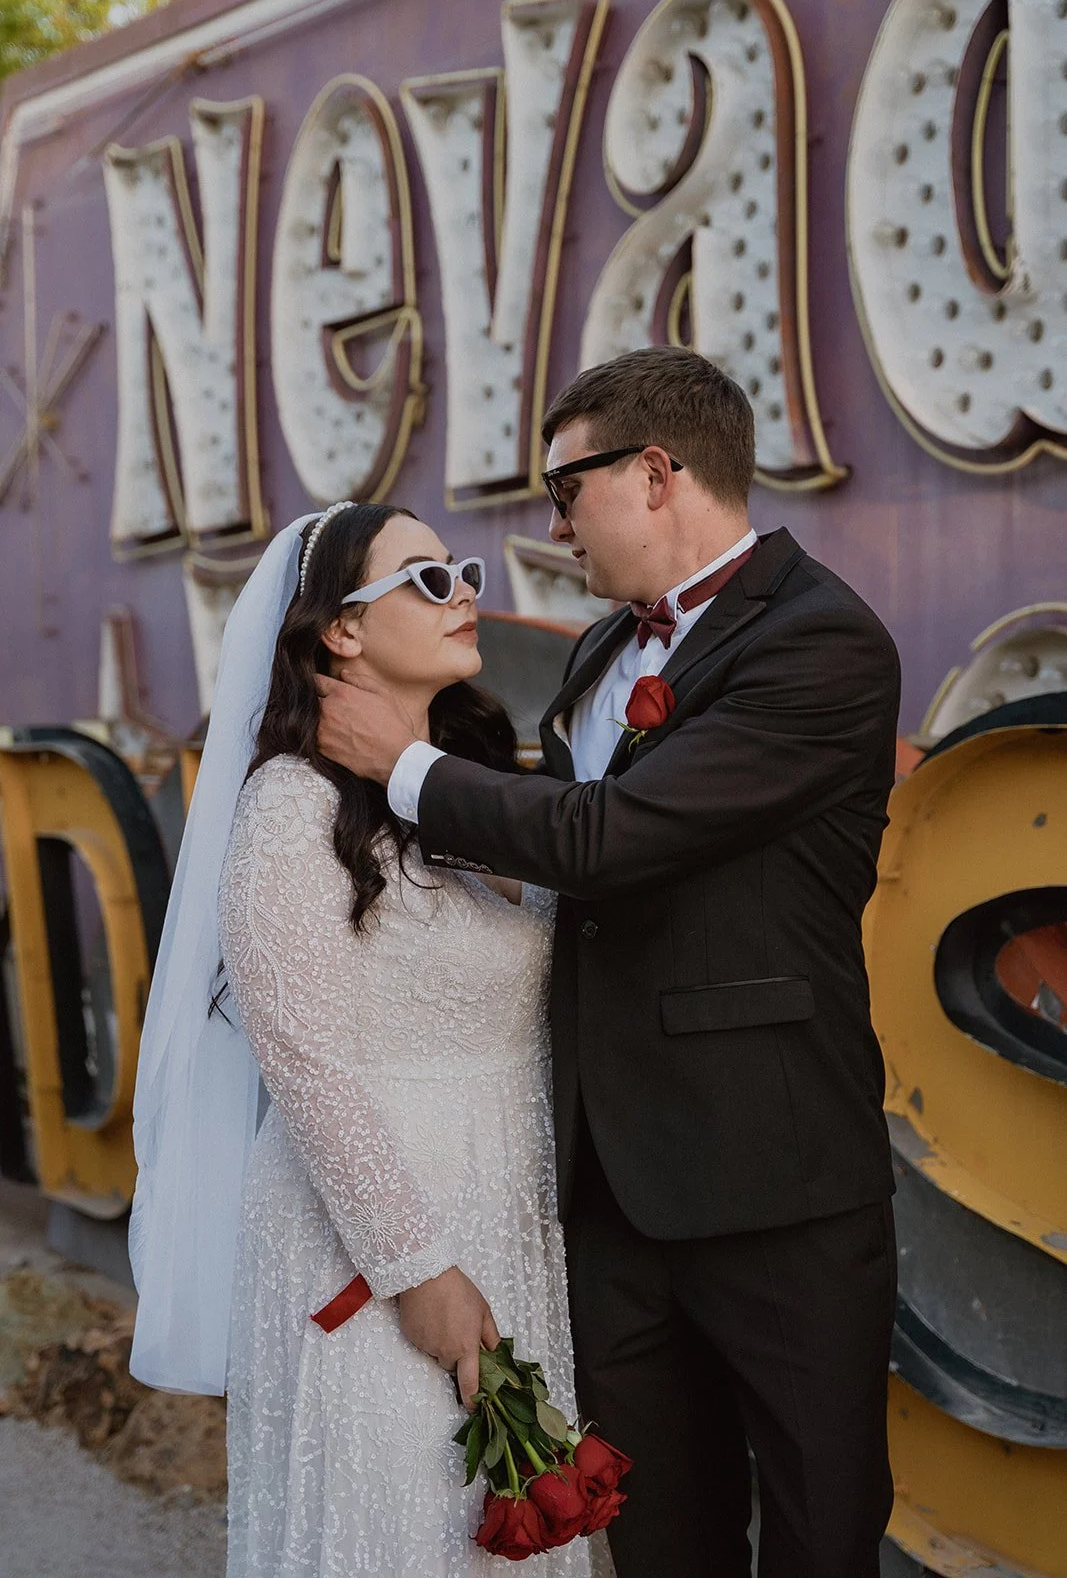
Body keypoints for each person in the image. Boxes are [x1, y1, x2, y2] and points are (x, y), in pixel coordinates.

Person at [317, 346, 903, 1578]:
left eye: (563, 488)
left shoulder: (820, 642)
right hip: (602, 1183)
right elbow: (557, 885)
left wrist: (401, 765)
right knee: (654, 1537)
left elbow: (609, 838)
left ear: (652, 472)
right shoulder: (594, 657)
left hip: (773, 1180)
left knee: (818, 1528)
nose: (551, 522)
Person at [128, 501, 612, 1576]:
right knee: (397, 1525)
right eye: (427, 579)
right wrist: (416, 1269)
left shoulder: (471, 783)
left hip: (507, 1209)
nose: (465, 592)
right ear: (339, 630)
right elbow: (304, 1065)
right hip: (373, 1238)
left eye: (465, 571)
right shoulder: (290, 808)